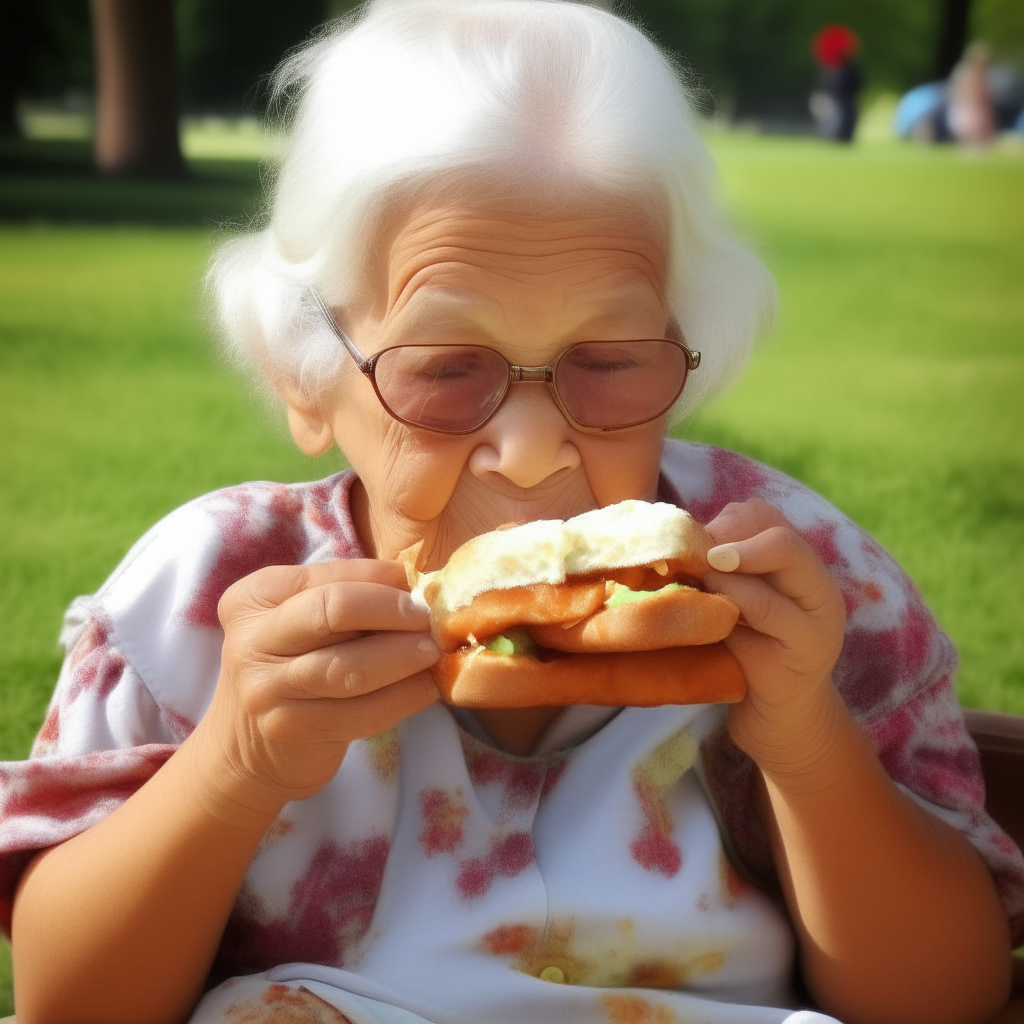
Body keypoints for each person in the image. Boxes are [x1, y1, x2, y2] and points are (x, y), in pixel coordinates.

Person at [3, 2, 1022, 1022]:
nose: (532, 451)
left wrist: (804, 740)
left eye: (610, 362)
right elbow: (69, 1003)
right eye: (445, 369)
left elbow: (945, 999)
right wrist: (230, 768)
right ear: (306, 374)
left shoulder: (807, 589)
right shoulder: (202, 603)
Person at [810, 25, 863, 143]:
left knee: (842, 119)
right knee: (839, 119)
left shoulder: (839, 69)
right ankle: (838, 137)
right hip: (840, 99)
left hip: (843, 99)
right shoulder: (837, 69)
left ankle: (840, 137)